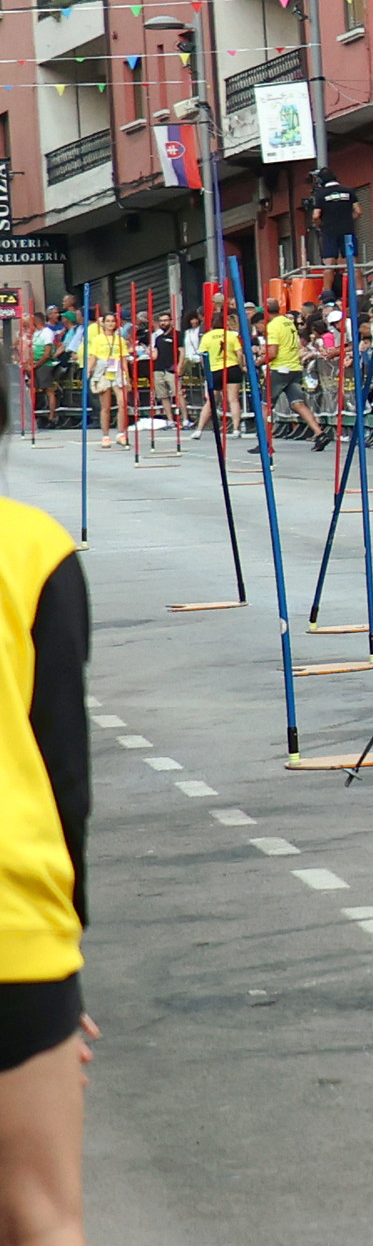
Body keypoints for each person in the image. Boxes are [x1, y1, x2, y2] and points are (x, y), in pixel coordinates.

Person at [0, 416, 95, 1246]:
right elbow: (66, 782)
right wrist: (68, 972)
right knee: (41, 1216)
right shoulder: (32, 549)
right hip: (14, 934)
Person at [252, 298, 330, 453]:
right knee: (297, 404)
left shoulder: (273, 326)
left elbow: (272, 353)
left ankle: (264, 442)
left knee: (265, 406)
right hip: (294, 367)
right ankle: (320, 434)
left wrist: (257, 363)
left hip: (280, 369)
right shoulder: (287, 322)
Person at [195, 312, 244, 440]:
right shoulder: (231, 335)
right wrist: (241, 366)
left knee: (211, 401)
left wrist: (206, 370)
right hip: (231, 367)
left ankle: (199, 430)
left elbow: (203, 356)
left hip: (215, 369)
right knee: (233, 399)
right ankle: (236, 429)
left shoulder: (206, 337)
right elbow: (239, 353)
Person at [85, 309, 128, 448]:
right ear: (103, 323)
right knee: (105, 407)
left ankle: (121, 434)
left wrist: (127, 377)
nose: (110, 324)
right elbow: (93, 356)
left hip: (117, 372)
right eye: (108, 321)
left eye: (113, 321)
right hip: (103, 372)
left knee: (122, 403)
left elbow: (124, 359)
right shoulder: (98, 339)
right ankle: (105, 435)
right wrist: (88, 370)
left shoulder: (120, 340)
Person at [308, 168, 361, 279]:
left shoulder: (320, 195)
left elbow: (316, 215)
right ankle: (359, 288)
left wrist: (320, 224)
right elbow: (358, 211)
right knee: (353, 263)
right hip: (347, 230)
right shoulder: (349, 191)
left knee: (329, 263)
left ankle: (328, 288)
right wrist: (349, 220)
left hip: (329, 231)